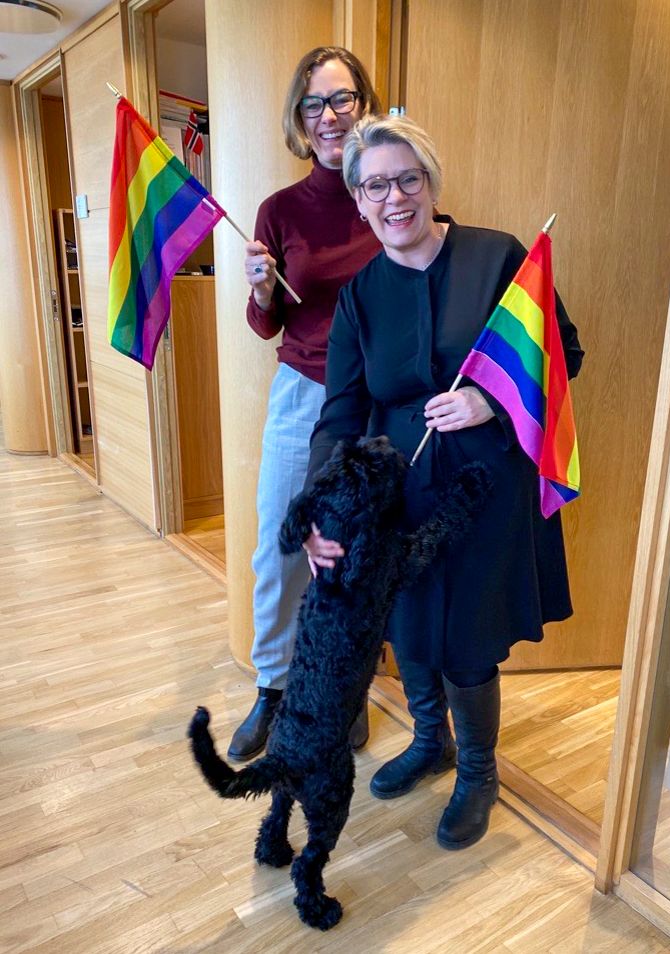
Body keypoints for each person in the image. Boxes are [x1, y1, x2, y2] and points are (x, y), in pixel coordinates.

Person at [303, 114, 584, 850]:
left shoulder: (498, 258)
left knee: (467, 637)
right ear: (358, 200)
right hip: (398, 501)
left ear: (430, 183)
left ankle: (479, 772)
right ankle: (432, 741)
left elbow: (564, 351)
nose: (394, 198)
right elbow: (340, 414)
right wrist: (320, 511)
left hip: (485, 492)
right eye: (375, 186)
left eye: (408, 179)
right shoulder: (360, 296)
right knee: (409, 625)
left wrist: (489, 399)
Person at [227, 49, 382, 763]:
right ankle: (274, 686)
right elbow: (267, 325)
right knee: (282, 544)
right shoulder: (280, 209)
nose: (329, 116)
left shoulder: (385, 189)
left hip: (377, 397)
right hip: (304, 393)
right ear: (299, 117)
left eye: (342, 99)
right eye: (314, 104)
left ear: (364, 104)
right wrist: (261, 289)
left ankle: (349, 687)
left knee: (359, 549)